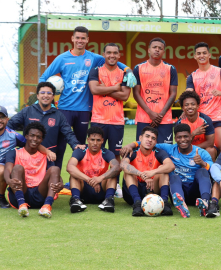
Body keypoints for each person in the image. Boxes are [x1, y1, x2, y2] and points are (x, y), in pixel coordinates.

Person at [39, 26, 135, 170]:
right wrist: (43, 100)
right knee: (59, 147)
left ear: (87, 40)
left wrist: (127, 69)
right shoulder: (62, 58)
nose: (80, 40)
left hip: (84, 110)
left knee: (82, 148)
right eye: (77, 37)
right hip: (64, 108)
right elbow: (44, 78)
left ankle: (80, 180)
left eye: (83, 38)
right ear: (72, 38)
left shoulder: (93, 58)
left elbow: (112, 59)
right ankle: (54, 179)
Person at [121, 124, 214, 218]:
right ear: (175, 138)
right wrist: (132, 145)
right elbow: (125, 163)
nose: (182, 140)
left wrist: (202, 163)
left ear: (191, 137)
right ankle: (180, 205)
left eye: (186, 136)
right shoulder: (168, 149)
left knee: (200, 171)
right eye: (179, 137)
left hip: (195, 190)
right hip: (177, 188)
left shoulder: (201, 152)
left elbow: (214, 170)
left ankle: (204, 203)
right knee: (172, 176)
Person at [8, 82, 85, 168]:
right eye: (42, 93)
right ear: (37, 95)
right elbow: (9, 126)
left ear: (52, 97)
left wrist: (75, 144)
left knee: (53, 178)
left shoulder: (58, 115)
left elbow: (68, 132)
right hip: (29, 156)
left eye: (49, 93)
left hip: (49, 157)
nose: (46, 95)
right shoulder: (27, 111)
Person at [88, 43, 131, 196]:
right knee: (96, 153)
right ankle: (95, 182)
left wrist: (105, 89)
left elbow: (125, 96)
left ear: (119, 56)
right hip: (98, 120)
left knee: (115, 155)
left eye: (115, 53)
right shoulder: (95, 71)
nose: (112, 55)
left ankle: (115, 185)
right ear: (104, 55)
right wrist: (115, 88)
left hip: (116, 121)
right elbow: (94, 89)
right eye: (109, 53)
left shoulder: (126, 74)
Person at [4, 122, 63, 218]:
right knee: (17, 167)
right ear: (26, 136)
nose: (35, 139)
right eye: (32, 135)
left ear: (42, 139)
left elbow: (55, 174)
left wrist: (60, 184)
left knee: (55, 168)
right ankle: (22, 205)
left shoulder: (46, 156)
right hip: (21, 192)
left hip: (40, 194)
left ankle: (47, 206)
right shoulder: (14, 152)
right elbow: (7, 169)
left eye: (38, 137)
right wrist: (8, 180)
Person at [186, 42, 221, 155]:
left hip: (217, 116)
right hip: (201, 118)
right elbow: (188, 95)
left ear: (209, 55)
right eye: (199, 53)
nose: (202, 55)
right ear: (195, 56)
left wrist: (220, 92)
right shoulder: (192, 76)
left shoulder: (220, 72)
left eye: (204, 53)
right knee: (205, 149)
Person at [119, 126, 175, 216]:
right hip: (134, 189)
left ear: (155, 142)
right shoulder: (133, 151)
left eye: (153, 138)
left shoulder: (159, 152)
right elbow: (123, 165)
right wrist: (141, 174)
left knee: (163, 169)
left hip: (152, 189)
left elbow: (171, 165)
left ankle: (165, 203)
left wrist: (153, 172)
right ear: (140, 138)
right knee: (128, 172)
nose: (150, 140)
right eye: (147, 136)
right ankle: (137, 203)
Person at [66, 126, 121, 213]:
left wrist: (100, 178)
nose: (95, 143)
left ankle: (109, 200)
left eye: (98, 140)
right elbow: (70, 167)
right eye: (92, 140)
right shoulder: (80, 151)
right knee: (74, 174)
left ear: (102, 141)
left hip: (101, 189)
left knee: (112, 173)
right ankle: (76, 200)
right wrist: (88, 179)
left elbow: (117, 167)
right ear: (88, 140)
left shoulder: (107, 153)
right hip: (84, 189)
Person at [133, 37, 177, 144]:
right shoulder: (138, 68)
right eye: (154, 47)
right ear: (148, 50)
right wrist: (150, 113)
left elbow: (173, 94)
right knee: (143, 149)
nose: (157, 50)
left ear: (163, 51)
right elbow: (136, 93)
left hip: (165, 118)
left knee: (165, 150)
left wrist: (160, 115)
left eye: (160, 48)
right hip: (144, 117)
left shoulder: (170, 69)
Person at [175, 91, 217, 160]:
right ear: (182, 108)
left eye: (193, 104)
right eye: (186, 105)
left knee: (211, 150)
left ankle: (209, 170)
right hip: (187, 149)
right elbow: (180, 143)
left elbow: (210, 143)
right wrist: (194, 133)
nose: (190, 107)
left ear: (197, 106)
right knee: (178, 152)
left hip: (203, 149)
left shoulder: (205, 120)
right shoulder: (180, 123)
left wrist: (193, 148)